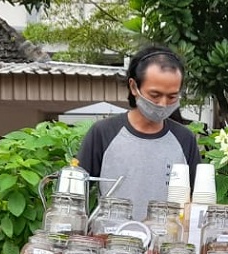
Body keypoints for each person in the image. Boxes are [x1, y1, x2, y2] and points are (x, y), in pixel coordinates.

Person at [77, 45, 201, 220]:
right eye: (155, 95)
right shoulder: (103, 133)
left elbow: (197, 202)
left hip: (168, 236)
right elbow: (75, 196)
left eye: (172, 96)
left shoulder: (184, 139)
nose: (163, 104)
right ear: (134, 87)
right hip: (113, 235)